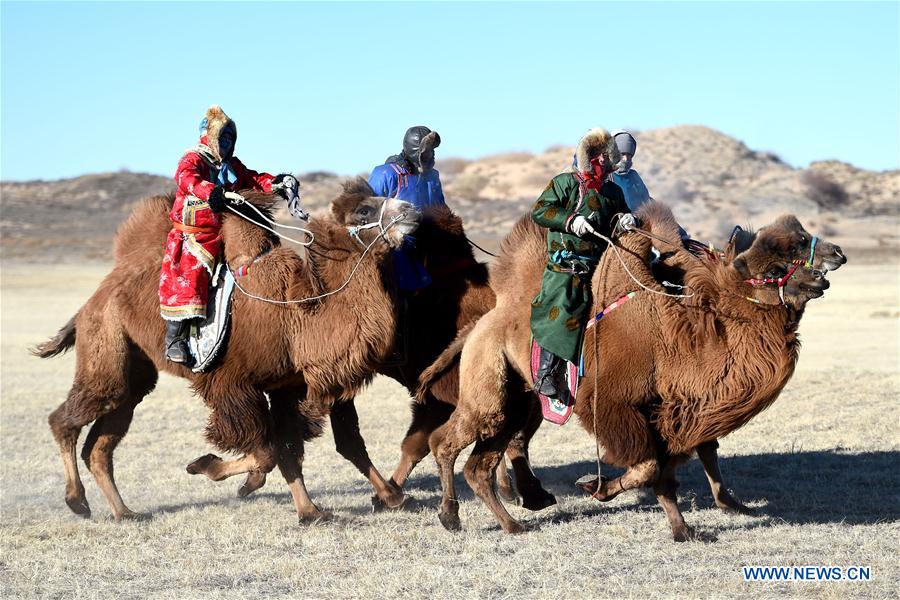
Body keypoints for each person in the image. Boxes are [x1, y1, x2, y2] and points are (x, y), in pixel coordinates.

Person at [159, 105, 302, 364]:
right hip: (196, 236)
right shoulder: (193, 160)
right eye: (221, 137)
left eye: (229, 138)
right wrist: (215, 193)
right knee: (192, 273)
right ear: (209, 136)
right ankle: (176, 338)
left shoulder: (232, 166)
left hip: (228, 232)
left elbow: (254, 180)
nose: (225, 143)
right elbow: (186, 180)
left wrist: (280, 182)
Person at [531, 128, 632, 399]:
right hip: (566, 268)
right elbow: (540, 211)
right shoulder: (563, 183)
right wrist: (569, 220)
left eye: (605, 158)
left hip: (600, 266)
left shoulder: (612, 191)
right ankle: (546, 374)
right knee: (564, 307)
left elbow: (621, 216)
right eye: (596, 157)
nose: (601, 163)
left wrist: (625, 220)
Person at [368, 126, 445, 291]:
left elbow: (441, 210)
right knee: (402, 254)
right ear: (415, 152)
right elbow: (368, 211)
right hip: (396, 239)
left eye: (433, 151)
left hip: (429, 236)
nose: (431, 155)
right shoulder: (386, 174)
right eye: (427, 151)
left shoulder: (433, 176)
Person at [611, 129, 688, 240]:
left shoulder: (634, 176)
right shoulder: (607, 178)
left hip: (641, 227)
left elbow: (647, 203)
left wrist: (678, 231)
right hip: (619, 233)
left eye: (629, 155)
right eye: (622, 154)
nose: (626, 159)